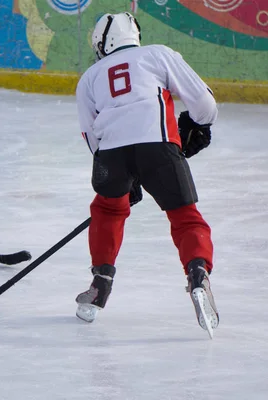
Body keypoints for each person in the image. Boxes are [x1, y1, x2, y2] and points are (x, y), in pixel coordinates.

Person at [74, 12, 219, 337]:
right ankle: (198, 273)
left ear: (101, 43)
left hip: (112, 155)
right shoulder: (158, 54)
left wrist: (123, 180)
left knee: (107, 211)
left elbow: (92, 138)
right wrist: (192, 128)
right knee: (186, 218)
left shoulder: (89, 78)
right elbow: (205, 105)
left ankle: (101, 282)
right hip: (159, 147)